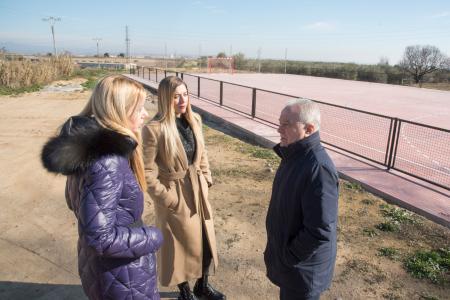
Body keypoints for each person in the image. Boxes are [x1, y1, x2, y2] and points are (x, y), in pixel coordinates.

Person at [41, 75, 164, 300]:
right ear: (120, 111)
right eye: (139, 109)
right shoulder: (108, 161)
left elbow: (76, 204)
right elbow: (99, 238)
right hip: (122, 275)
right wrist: (153, 236)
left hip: (105, 270)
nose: (145, 114)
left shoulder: (87, 150)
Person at [142, 76, 225, 300]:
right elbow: (147, 173)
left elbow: (202, 153)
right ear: (164, 98)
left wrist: (206, 178)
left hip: (198, 189)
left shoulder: (195, 119)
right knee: (178, 247)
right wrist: (169, 199)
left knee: (205, 241)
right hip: (174, 193)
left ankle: (203, 285)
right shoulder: (154, 129)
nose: (182, 100)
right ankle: (185, 291)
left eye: (185, 94)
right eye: (176, 96)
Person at [264, 98, 339, 300]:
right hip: (291, 266)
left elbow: (319, 230)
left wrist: (289, 256)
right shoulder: (293, 156)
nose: (279, 129)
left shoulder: (318, 168)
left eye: (286, 124)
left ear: (309, 129)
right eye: (279, 123)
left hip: (303, 270)